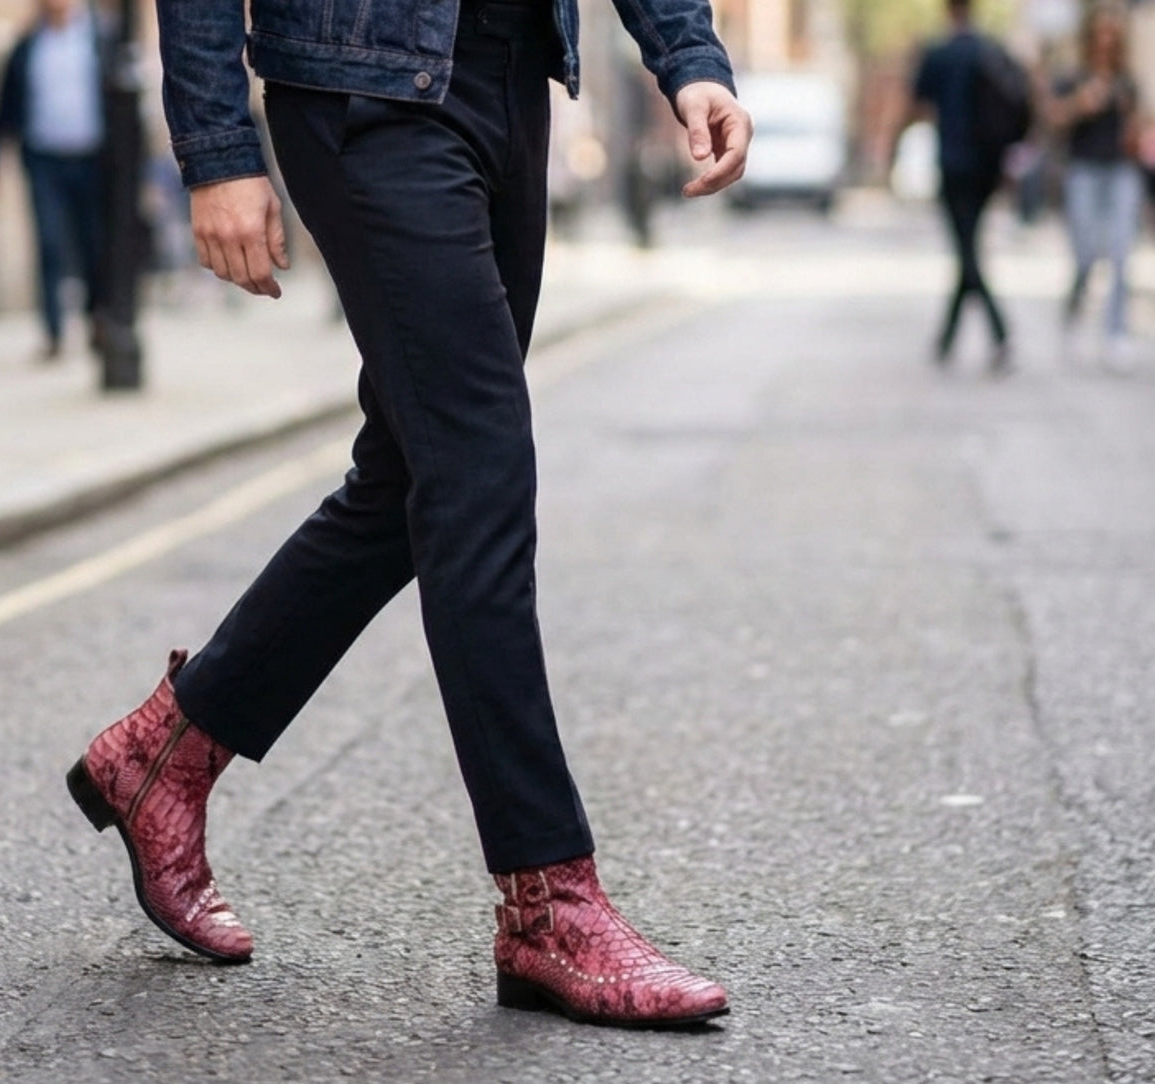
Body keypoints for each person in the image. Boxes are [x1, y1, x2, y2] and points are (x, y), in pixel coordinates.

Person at [65, 0, 751, 1030]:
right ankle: (545, 896)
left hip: (510, 75)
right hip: (366, 88)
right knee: (477, 469)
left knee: (408, 477)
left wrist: (686, 56)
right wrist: (214, 150)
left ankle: (162, 755)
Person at [0, 0, 107, 361]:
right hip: (43, 159)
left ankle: (96, 318)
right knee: (49, 243)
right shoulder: (26, 45)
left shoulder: (98, 37)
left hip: (91, 159)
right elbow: (5, 103)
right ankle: (53, 332)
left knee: (92, 245)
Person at [909, 0, 1012, 373]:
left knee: (967, 251)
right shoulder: (992, 51)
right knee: (967, 247)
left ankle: (1000, 333)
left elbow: (918, 103)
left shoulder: (939, 54)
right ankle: (948, 339)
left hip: (954, 163)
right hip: (988, 168)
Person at [1044, 5, 1143, 372]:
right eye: (1100, 33)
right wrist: (1081, 104)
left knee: (1119, 253)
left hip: (1121, 171)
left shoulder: (1126, 81)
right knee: (1086, 254)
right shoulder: (1073, 77)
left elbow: (1137, 128)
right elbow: (1051, 118)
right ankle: (1073, 311)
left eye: (1112, 34)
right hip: (1084, 170)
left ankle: (1115, 333)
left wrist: (1134, 129)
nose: (1106, 41)